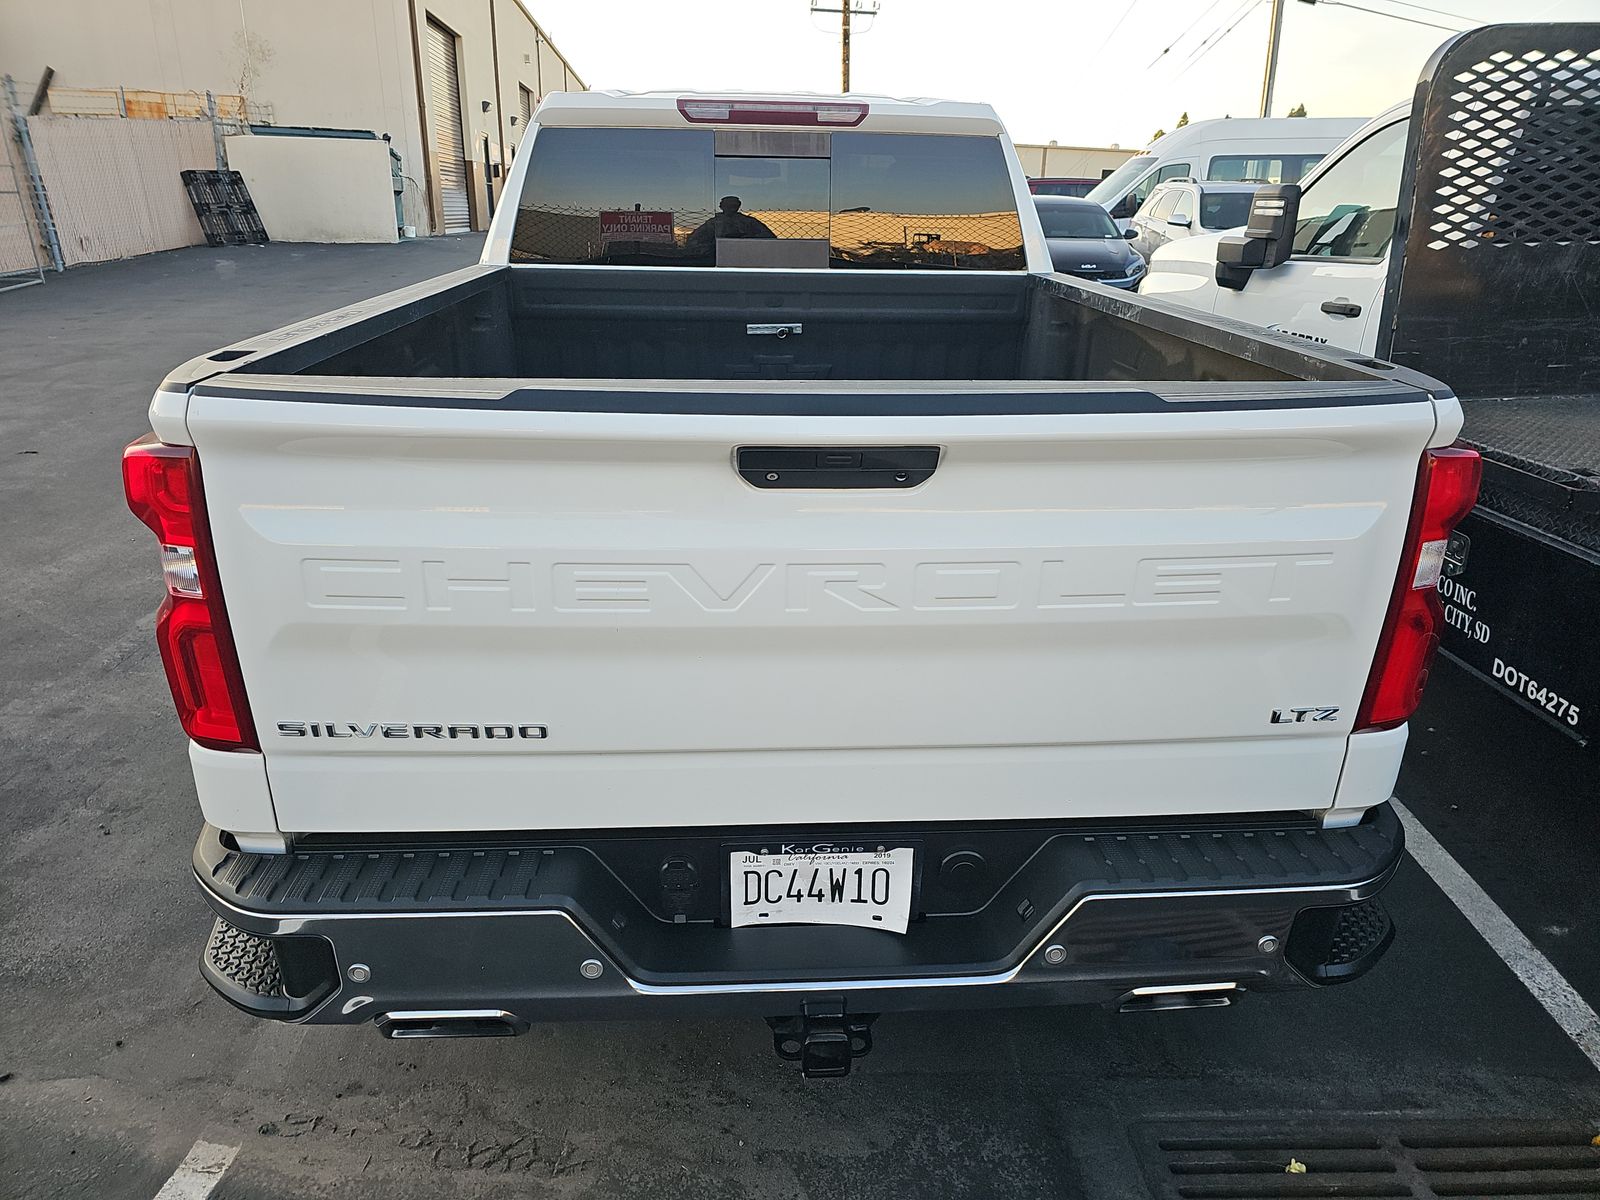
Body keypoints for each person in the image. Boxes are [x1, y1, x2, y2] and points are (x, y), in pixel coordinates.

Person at [686, 196, 776, 251]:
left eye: (733, 206)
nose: (731, 209)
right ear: (722, 207)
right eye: (728, 206)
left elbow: (770, 238)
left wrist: (746, 240)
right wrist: (713, 245)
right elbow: (693, 239)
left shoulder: (749, 222)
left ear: (738, 206)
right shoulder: (713, 223)